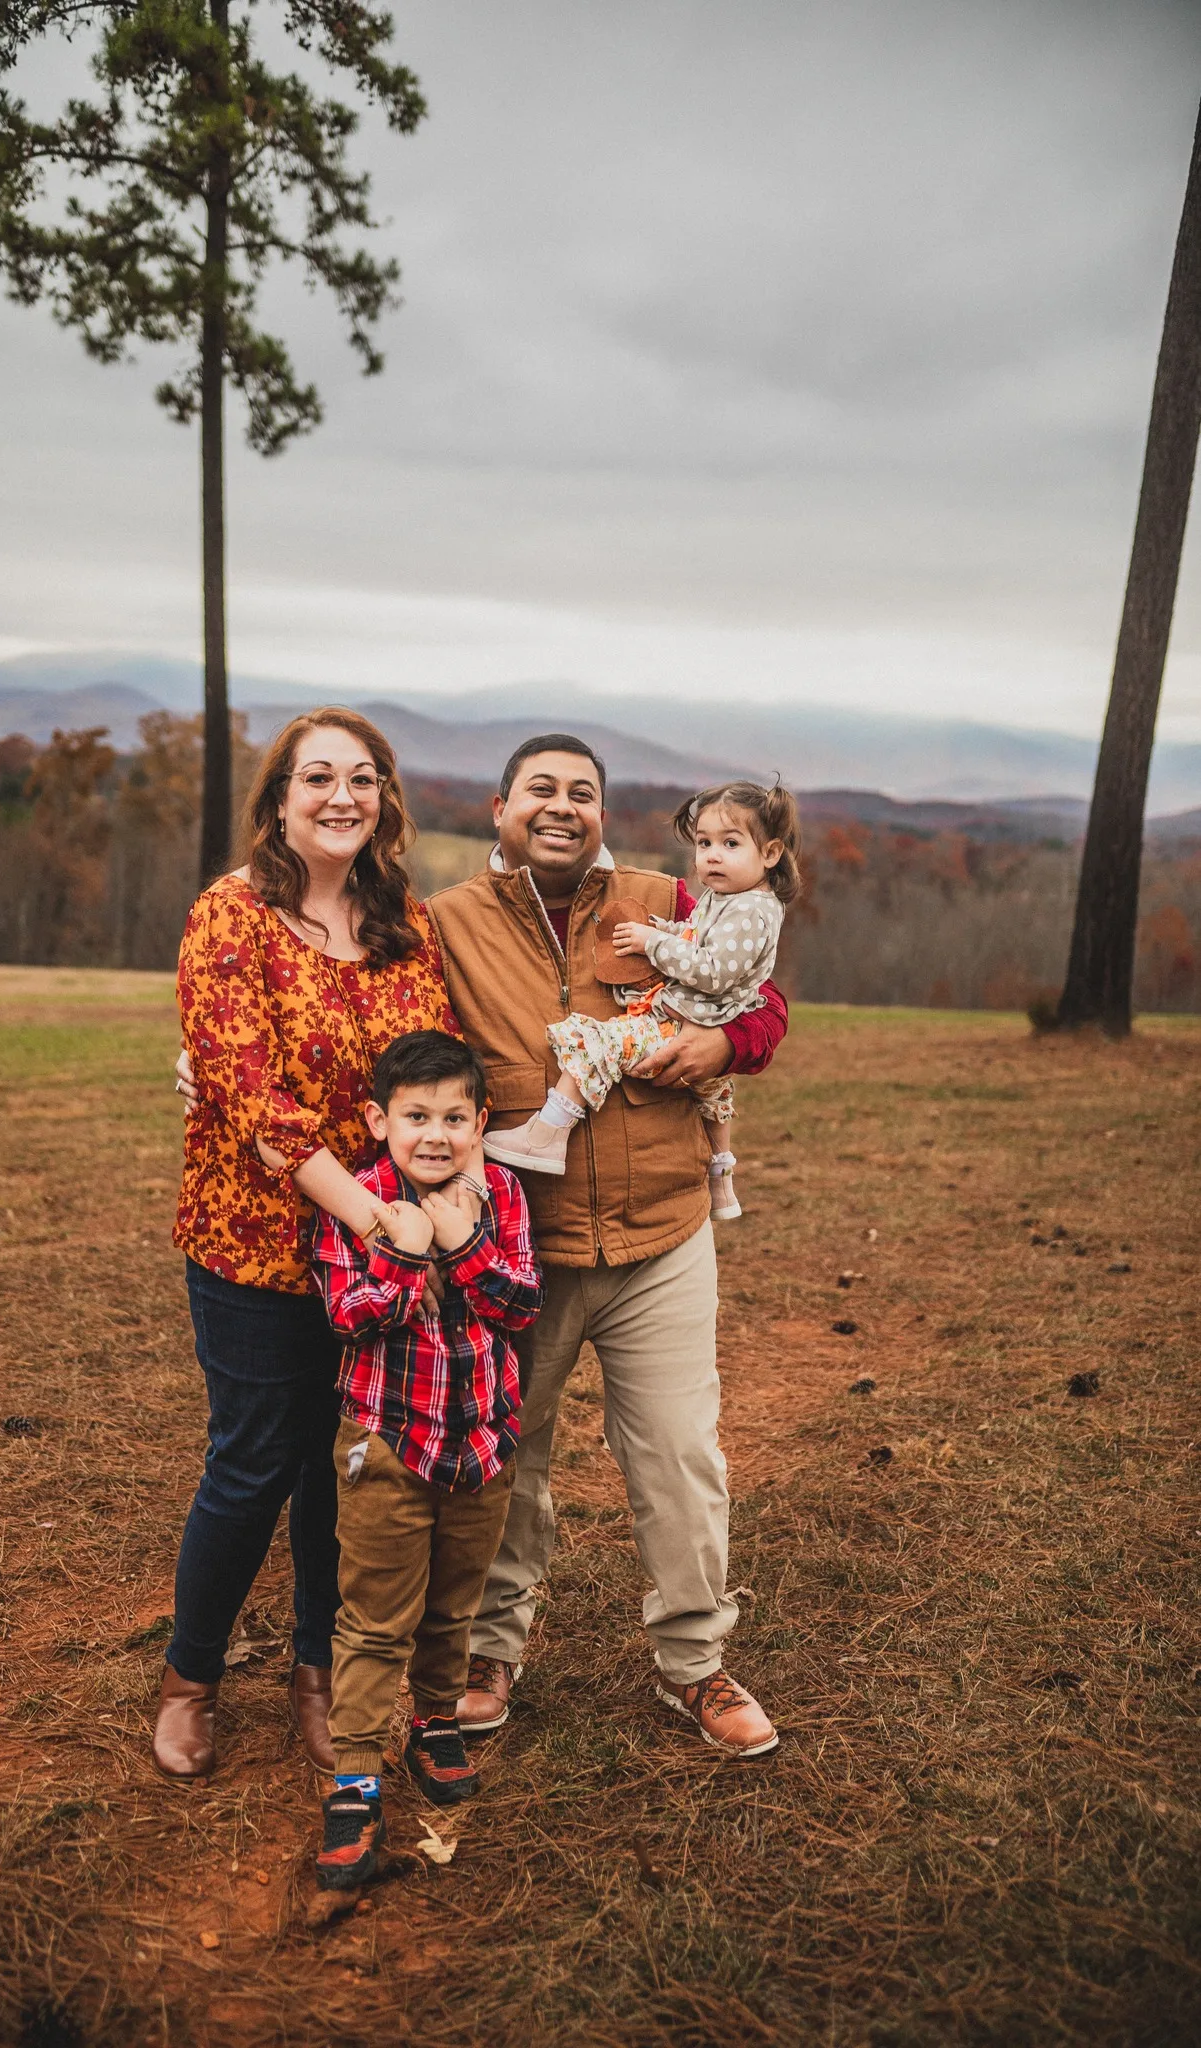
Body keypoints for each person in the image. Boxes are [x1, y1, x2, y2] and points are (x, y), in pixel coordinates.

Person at [427, 735, 788, 1755]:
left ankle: (697, 1664)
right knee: (509, 1456)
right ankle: (492, 1648)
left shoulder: (664, 893)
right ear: (500, 807)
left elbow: (760, 993)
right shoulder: (447, 921)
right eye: (540, 788)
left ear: (602, 813)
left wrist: (727, 1043)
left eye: (582, 792)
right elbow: (386, 1035)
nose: (562, 805)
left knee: (679, 1454)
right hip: (518, 1248)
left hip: (662, 1231)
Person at [153, 710, 456, 1783]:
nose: (342, 795)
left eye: (363, 777)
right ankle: (191, 1676)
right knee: (255, 1460)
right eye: (317, 776)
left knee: (347, 1471)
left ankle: (319, 1672)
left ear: (385, 797)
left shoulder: (403, 920)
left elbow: (435, 1065)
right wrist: (372, 1215)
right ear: (278, 795)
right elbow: (250, 1093)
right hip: (258, 1245)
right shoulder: (228, 915)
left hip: (382, 1254)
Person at [310, 1031, 543, 1890]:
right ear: (378, 1121)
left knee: (454, 1604)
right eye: (415, 1116)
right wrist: (409, 1253)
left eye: (454, 1116)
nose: (435, 1135)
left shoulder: (504, 1197)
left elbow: (520, 1302)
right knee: (375, 1618)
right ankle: (356, 1773)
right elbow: (346, 1313)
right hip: (387, 1447)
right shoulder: (362, 1201)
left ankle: (435, 1719)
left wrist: (464, 1244)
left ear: (482, 1121)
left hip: (481, 1444)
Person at [484, 779, 802, 1225]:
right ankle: (721, 1180)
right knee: (714, 1094)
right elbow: (693, 935)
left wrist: (652, 942)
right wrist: (658, 929)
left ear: (769, 854)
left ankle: (549, 1131)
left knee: (600, 1041)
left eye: (730, 843)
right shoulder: (726, 898)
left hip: (687, 1017)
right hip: (700, 1014)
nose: (711, 855)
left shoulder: (749, 910)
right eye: (704, 842)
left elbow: (713, 970)